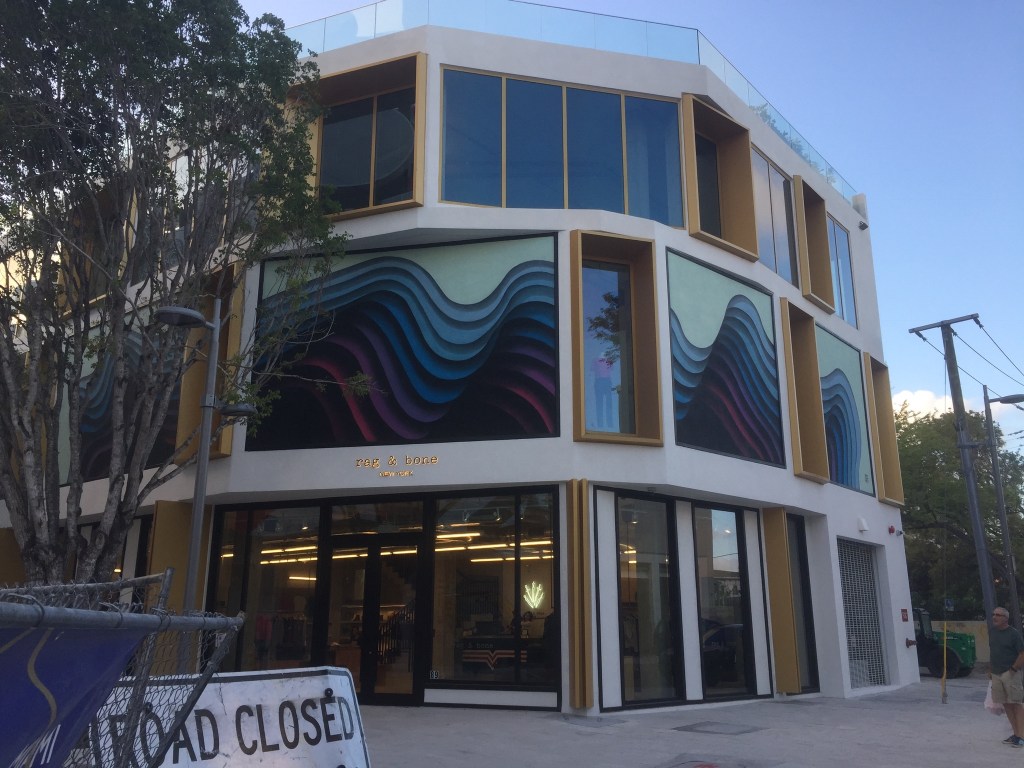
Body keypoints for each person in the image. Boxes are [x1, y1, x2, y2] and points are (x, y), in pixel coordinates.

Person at [990, 607, 1024, 747]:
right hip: (996, 674)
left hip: (1010, 673)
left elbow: (1022, 653)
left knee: (1016, 704)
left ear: (1005, 618)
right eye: (993, 614)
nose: (994, 617)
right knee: (1006, 704)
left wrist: (1013, 669)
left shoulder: (1013, 634)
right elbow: (993, 651)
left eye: (998, 615)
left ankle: (1022, 737)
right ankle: (1016, 734)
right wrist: (990, 670)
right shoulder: (992, 632)